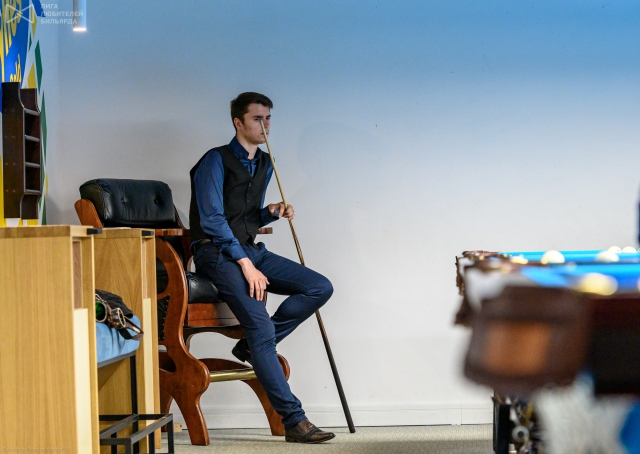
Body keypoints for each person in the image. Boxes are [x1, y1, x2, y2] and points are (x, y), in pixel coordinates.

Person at [189, 92, 335, 444]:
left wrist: (270, 212)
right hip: (216, 254)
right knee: (260, 327)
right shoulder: (214, 160)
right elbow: (212, 220)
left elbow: (245, 217)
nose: (265, 125)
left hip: (250, 250)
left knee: (319, 287)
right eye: (257, 118)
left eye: (268, 118)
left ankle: (252, 347)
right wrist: (244, 264)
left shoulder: (266, 162)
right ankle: (294, 421)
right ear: (238, 122)